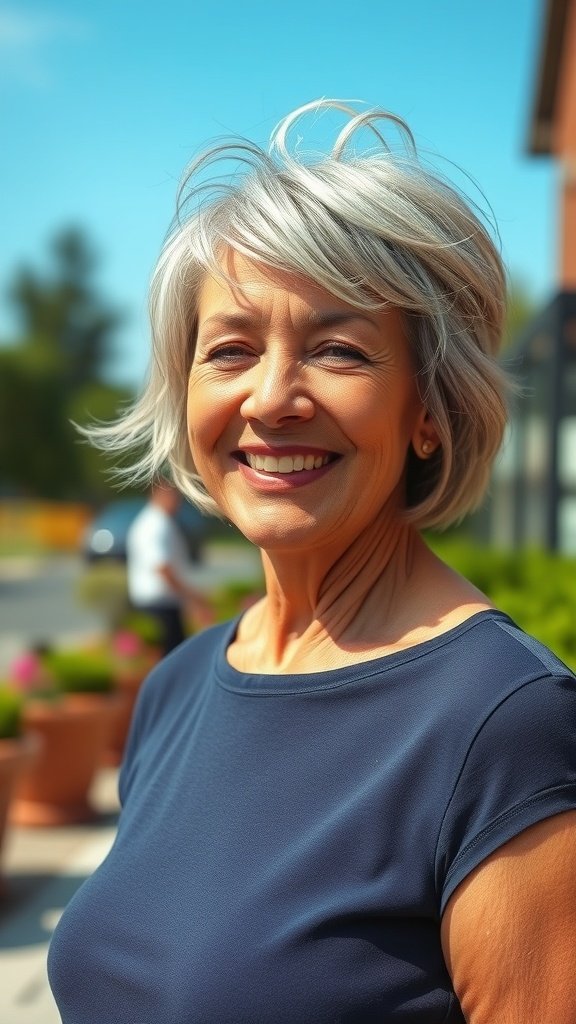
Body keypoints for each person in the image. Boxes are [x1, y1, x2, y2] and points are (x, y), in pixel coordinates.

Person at [48, 99, 576, 1023]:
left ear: (429, 410)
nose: (271, 398)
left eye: (338, 350)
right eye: (231, 351)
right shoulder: (179, 688)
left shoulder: (504, 727)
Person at [125, 479, 211, 655]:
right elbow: (162, 568)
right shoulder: (155, 524)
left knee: (172, 655)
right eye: (173, 494)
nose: (177, 500)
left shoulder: (158, 521)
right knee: (171, 658)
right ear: (158, 494)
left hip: (161, 604)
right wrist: (191, 596)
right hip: (158, 606)